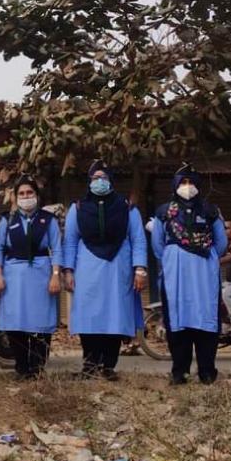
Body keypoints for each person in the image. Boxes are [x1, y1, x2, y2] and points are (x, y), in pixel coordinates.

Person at [62, 161, 148, 380]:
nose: (99, 182)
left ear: (111, 181)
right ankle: (90, 366)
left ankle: (108, 367)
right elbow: (70, 241)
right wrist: (68, 271)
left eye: (104, 178)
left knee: (115, 318)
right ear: (89, 181)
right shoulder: (78, 208)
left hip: (118, 271)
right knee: (89, 318)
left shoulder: (127, 209)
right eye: (95, 178)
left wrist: (140, 269)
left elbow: (138, 240)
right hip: (87, 271)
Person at [149, 165, 228, 385]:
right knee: (177, 320)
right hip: (175, 273)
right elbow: (157, 245)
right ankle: (179, 372)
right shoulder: (164, 212)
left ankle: (207, 372)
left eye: (191, 182)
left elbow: (221, 243)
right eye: (183, 182)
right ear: (175, 185)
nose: (187, 186)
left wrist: (204, 257)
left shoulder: (210, 211)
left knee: (206, 319)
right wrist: (172, 258)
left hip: (204, 273)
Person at [0, 174, 62, 380]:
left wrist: (55, 275)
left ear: (37, 195)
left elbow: (57, 249)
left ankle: (37, 369)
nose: (26, 196)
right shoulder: (7, 220)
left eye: (29, 192)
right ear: (15, 197)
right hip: (13, 277)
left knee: (40, 322)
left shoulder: (48, 220)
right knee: (16, 322)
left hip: (41, 275)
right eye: (21, 193)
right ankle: (21, 368)